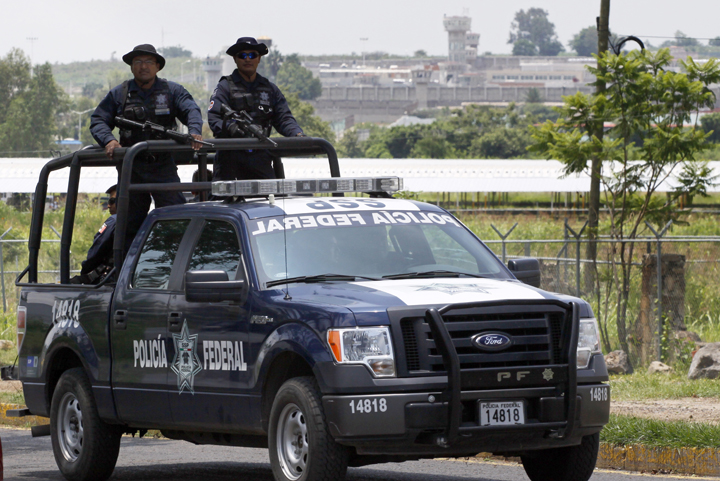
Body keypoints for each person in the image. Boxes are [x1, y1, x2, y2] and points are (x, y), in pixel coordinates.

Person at [89, 44, 204, 248]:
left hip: (163, 166)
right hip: (132, 167)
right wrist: (108, 140)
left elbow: (191, 110)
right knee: (129, 225)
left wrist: (194, 130)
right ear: (132, 67)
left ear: (158, 66)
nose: (143, 66)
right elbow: (98, 120)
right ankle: (126, 272)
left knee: (175, 219)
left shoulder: (172, 91)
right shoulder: (120, 94)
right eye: (138, 62)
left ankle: (173, 266)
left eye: (149, 62)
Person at [208, 37, 305, 181]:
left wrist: (298, 135)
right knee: (222, 202)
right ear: (235, 59)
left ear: (258, 59)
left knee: (271, 199)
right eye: (242, 55)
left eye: (252, 55)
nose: (248, 59)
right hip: (231, 158)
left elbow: (284, 118)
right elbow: (214, 117)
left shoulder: (270, 89)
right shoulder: (225, 87)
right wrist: (231, 128)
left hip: (260, 157)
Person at [70, 185, 117, 284]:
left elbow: (96, 251)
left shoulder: (114, 221)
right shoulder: (142, 222)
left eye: (112, 201)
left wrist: (86, 272)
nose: (108, 205)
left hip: (110, 280)